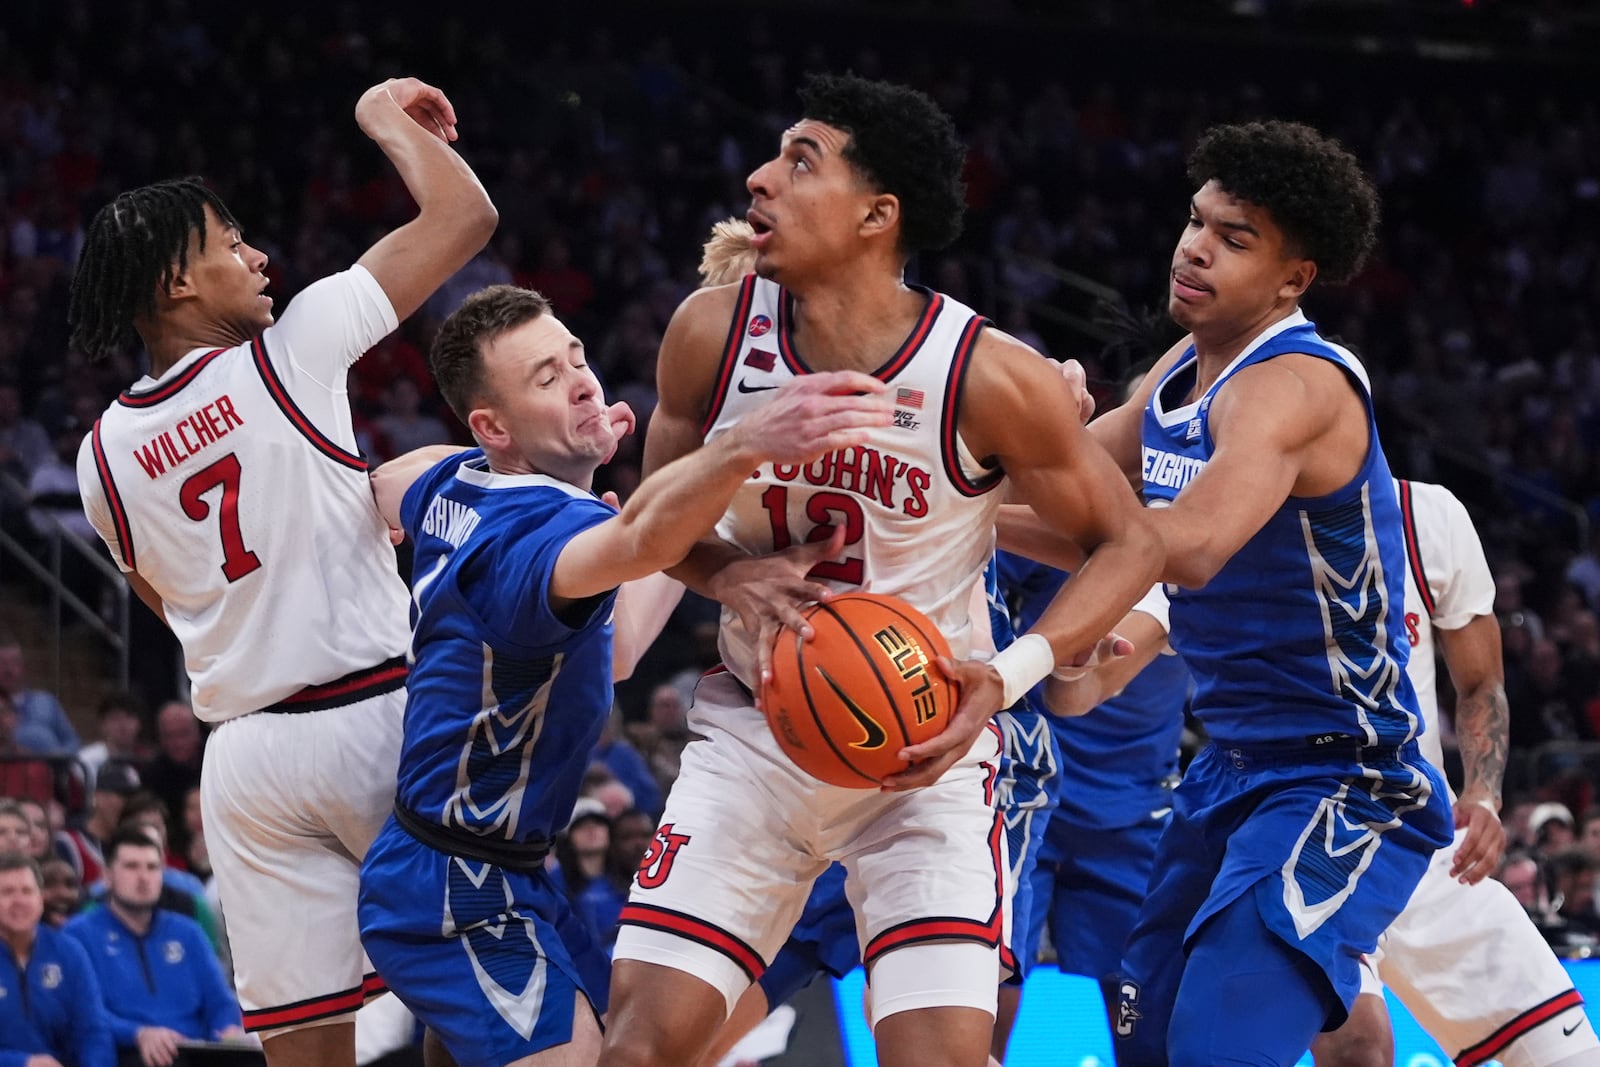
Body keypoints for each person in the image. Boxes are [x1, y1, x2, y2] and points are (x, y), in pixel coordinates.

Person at [603, 74, 1159, 1067]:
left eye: (800, 160)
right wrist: (726, 573)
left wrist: (1009, 674)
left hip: (924, 747)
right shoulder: (710, 332)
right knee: (639, 1047)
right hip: (757, 732)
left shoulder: (985, 373)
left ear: (877, 213)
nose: (760, 177)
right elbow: (651, 530)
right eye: (775, 153)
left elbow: (1131, 543)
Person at [70, 74, 497, 1066]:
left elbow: (171, 600)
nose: (258, 257)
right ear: (178, 282)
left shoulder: (99, 457)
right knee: (479, 995)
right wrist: (382, 119)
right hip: (376, 717)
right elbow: (466, 215)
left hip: (246, 760)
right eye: (231, 244)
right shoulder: (289, 352)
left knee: (304, 1053)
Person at [1009, 120, 1455, 1064]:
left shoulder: (1293, 385)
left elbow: (1194, 545)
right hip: (1230, 768)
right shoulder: (1179, 371)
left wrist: (995, 532)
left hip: (1346, 771)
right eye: (1196, 220)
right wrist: (945, 493)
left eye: (1234, 237)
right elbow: (1069, 501)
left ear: (1295, 278)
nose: (1194, 247)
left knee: (1219, 1039)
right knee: (1150, 1039)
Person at [355, 282, 889, 1067]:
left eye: (574, 356)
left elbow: (390, 483)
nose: (581, 379)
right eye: (546, 378)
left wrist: (652, 519)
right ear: (493, 424)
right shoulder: (540, 531)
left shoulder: (464, 480)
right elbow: (642, 542)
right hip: (456, 888)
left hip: (485, 865)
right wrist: (737, 447)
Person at [1311, 479, 1599, 1067]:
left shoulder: (1426, 514)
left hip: (1423, 840)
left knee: (1569, 1054)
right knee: (1359, 1048)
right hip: (1310, 841)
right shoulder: (1244, 517)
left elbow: (1481, 682)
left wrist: (1485, 795)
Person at [65, 830, 244, 1067]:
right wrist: (137, 1033)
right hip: (129, 1051)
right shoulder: (78, 935)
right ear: (107, 876)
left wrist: (227, 1029)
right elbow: (82, 1014)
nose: (143, 877)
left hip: (196, 1049)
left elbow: (220, 1002)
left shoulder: (187, 932)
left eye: (152, 867)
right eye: (132, 867)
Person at [0, 852, 115, 1067]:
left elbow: (93, 1032)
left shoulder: (68, 952)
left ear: (40, 899)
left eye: (27, 891)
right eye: (7, 892)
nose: (19, 901)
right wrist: (23, 1063)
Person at [56, 761, 143, 888]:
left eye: (134, 798)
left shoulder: (137, 843)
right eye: (122, 796)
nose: (129, 804)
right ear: (98, 797)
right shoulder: (69, 843)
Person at [0, 632, 77, 755]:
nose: (8, 670)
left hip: (52, 769)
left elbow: (71, 741)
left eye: (14, 662)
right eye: (3, 663)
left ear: (23, 666)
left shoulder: (46, 702)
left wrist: (58, 758)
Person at [78, 694, 150, 783]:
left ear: (139, 723)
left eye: (129, 717)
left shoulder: (147, 760)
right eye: (115, 718)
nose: (123, 725)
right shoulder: (85, 761)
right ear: (102, 725)